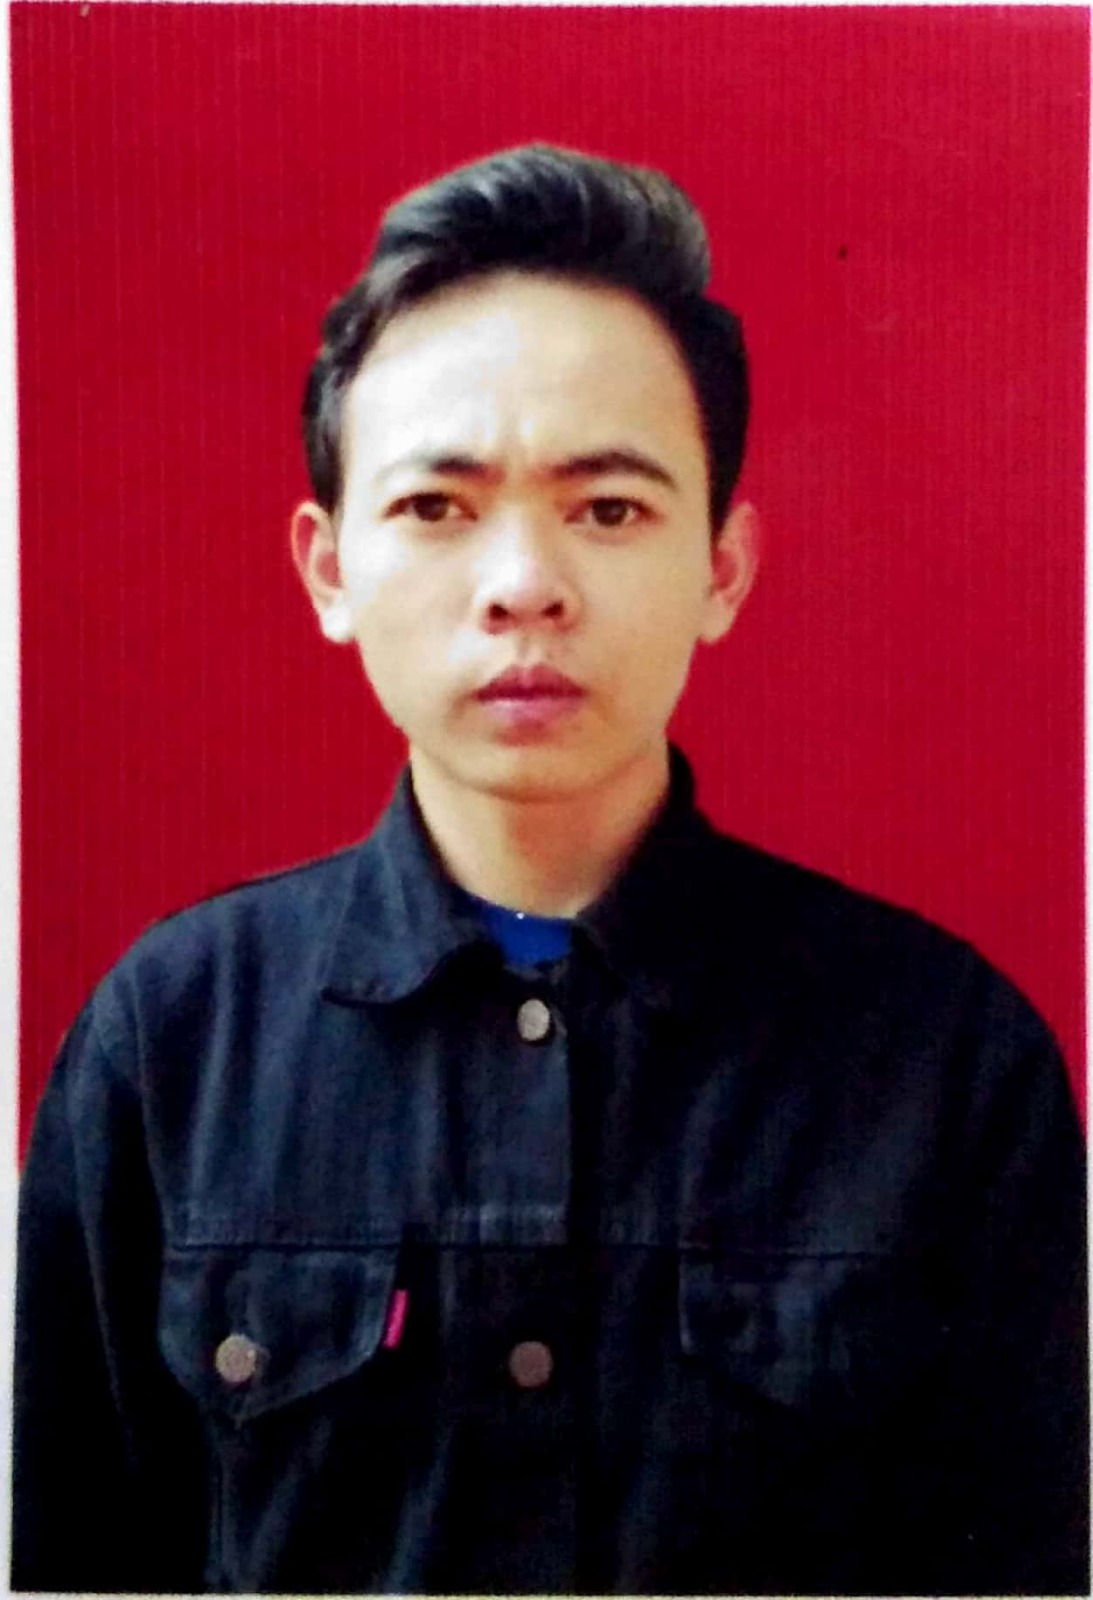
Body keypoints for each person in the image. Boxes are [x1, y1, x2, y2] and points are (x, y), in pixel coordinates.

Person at [12, 144, 1087, 1596]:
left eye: (609, 508)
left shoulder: (947, 1060)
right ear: (328, 569)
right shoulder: (171, 1039)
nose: (524, 585)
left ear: (722, 566)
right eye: (436, 508)